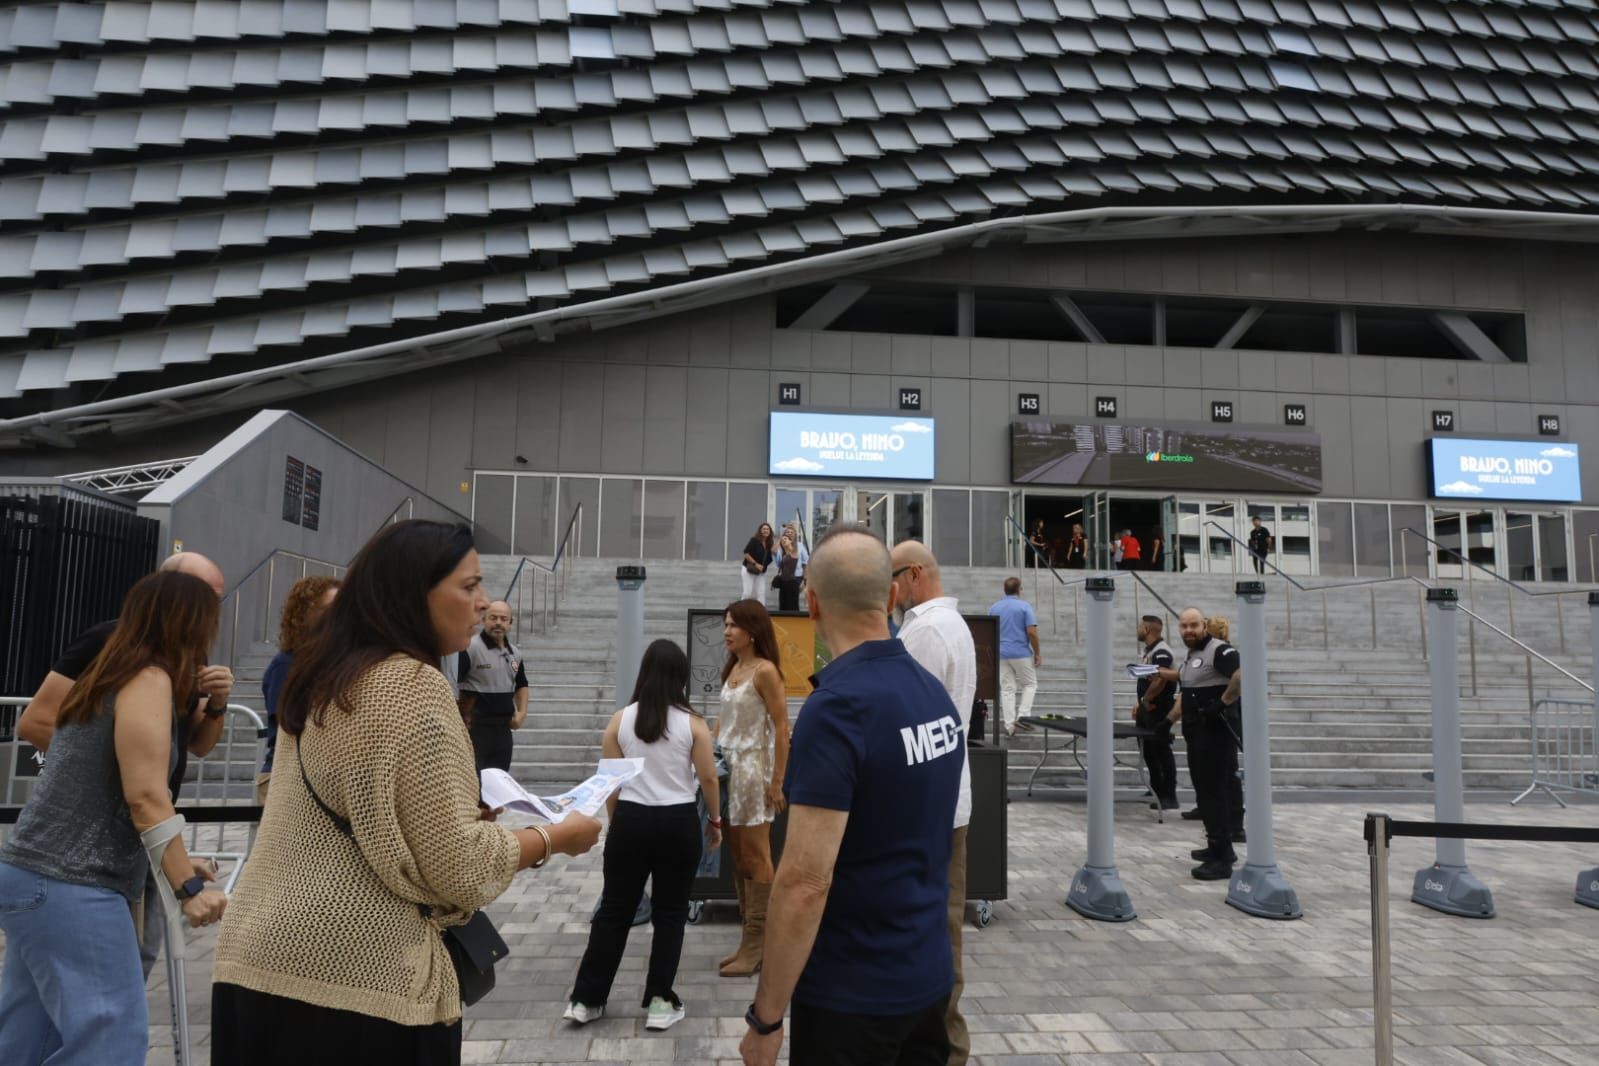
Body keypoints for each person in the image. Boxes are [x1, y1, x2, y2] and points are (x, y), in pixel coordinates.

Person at [211, 521, 602, 1064]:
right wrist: (553, 837)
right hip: (356, 980)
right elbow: (457, 867)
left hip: (255, 958)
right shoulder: (411, 685)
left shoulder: (323, 673)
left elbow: (365, 810)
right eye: (469, 586)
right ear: (411, 592)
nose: (483, 601)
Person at [740, 526, 963, 1066]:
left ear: (811, 603)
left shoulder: (838, 709)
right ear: (890, 597)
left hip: (855, 998)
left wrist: (766, 1019)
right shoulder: (933, 693)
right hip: (928, 977)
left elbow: (804, 883)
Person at [0, 570, 229, 1065]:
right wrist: (188, 888)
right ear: (190, 622)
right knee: (111, 1041)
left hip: (37, 876)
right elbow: (146, 795)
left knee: (27, 1038)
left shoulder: (110, 672)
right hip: (73, 882)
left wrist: (181, 866)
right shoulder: (148, 677)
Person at [565, 640, 723, 1031]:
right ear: (681, 678)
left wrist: (619, 822)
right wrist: (715, 820)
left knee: (614, 913)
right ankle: (659, 1002)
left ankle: (586, 999)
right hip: (678, 822)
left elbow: (610, 783)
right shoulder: (693, 723)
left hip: (632, 821)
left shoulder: (621, 720)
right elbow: (707, 777)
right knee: (670, 915)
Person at [890, 540, 977, 1066]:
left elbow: (907, 722)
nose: (888, 591)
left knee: (936, 939)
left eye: (891, 578)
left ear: (915, 574)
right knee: (941, 932)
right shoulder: (955, 625)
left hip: (927, 807)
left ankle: (945, 1050)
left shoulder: (923, 630)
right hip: (948, 800)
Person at [715, 599, 790, 977]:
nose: (727, 631)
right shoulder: (735, 669)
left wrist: (777, 780)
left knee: (758, 855)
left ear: (752, 630)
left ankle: (760, 945)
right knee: (740, 856)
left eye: (733, 625)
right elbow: (722, 722)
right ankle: (748, 940)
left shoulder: (765, 671)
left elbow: (782, 726)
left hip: (752, 769)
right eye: (726, 624)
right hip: (728, 769)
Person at [1166, 607, 1243, 881]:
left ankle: (1223, 859)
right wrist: (1168, 722)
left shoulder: (1220, 651)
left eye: (1194, 625)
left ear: (1205, 625)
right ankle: (1217, 846)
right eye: (1184, 626)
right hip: (1197, 734)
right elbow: (1187, 691)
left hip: (1215, 735)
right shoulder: (1193, 655)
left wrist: (1222, 703)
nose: (1188, 630)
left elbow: (1241, 674)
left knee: (1214, 794)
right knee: (1205, 793)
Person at [258, 575, 340, 803]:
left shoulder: (333, 662)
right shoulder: (286, 665)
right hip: (286, 779)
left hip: (317, 779)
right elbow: (291, 723)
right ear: (304, 615)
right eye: (328, 610)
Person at [457, 600, 529, 773]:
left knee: (499, 783)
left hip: (503, 731)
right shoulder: (469, 648)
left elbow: (522, 684)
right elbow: (450, 682)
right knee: (475, 784)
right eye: (493, 617)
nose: (498, 622)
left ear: (510, 624)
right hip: (475, 730)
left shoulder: (515, 654)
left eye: (504, 619)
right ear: (483, 620)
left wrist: (522, 713)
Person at [1129, 616, 1179, 812]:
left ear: (1148, 628)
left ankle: (1169, 795)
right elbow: (1147, 680)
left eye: (1141, 625)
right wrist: (1140, 702)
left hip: (1158, 709)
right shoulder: (1150, 651)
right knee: (1149, 750)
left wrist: (1147, 700)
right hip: (1147, 707)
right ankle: (1156, 788)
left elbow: (1160, 680)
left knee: (1161, 749)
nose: (1139, 629)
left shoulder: (1162, 652)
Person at [987, 578, 1040, 736]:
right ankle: (1023, 716)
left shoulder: (994, 607)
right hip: (1020, 652)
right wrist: (1037, 653)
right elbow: (1031, 632)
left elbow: (989, 629)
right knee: (1030, 684)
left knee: (1007, 689)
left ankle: (1009, 726)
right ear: (1019, 590)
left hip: (1000, 653)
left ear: (1005, 590)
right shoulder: (1024, 607)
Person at [771, 530, 808, 612]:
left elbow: (794, 550)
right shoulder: (785, 553)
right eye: (783, 540)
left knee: (792, 606)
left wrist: (804, 580)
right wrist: (780, 539)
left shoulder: (794, 552)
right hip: (784, 583)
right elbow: (773, 550)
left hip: (792, 583)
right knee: (783, 606)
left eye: (786, 540)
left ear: (791, 541)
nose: (784, 541)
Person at [740, 522, 777, 601]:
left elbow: (770, 557)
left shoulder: (770, 543)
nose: (765, 531)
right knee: (747, 592)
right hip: (749, 568)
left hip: (761, 571)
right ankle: (741, 611)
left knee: (761, 593)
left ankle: (761, 611)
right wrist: (756, 564)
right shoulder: (754, 540)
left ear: (770, 531)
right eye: (763, 529)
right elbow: (746, 554)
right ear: (760, 531)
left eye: (767, 529)